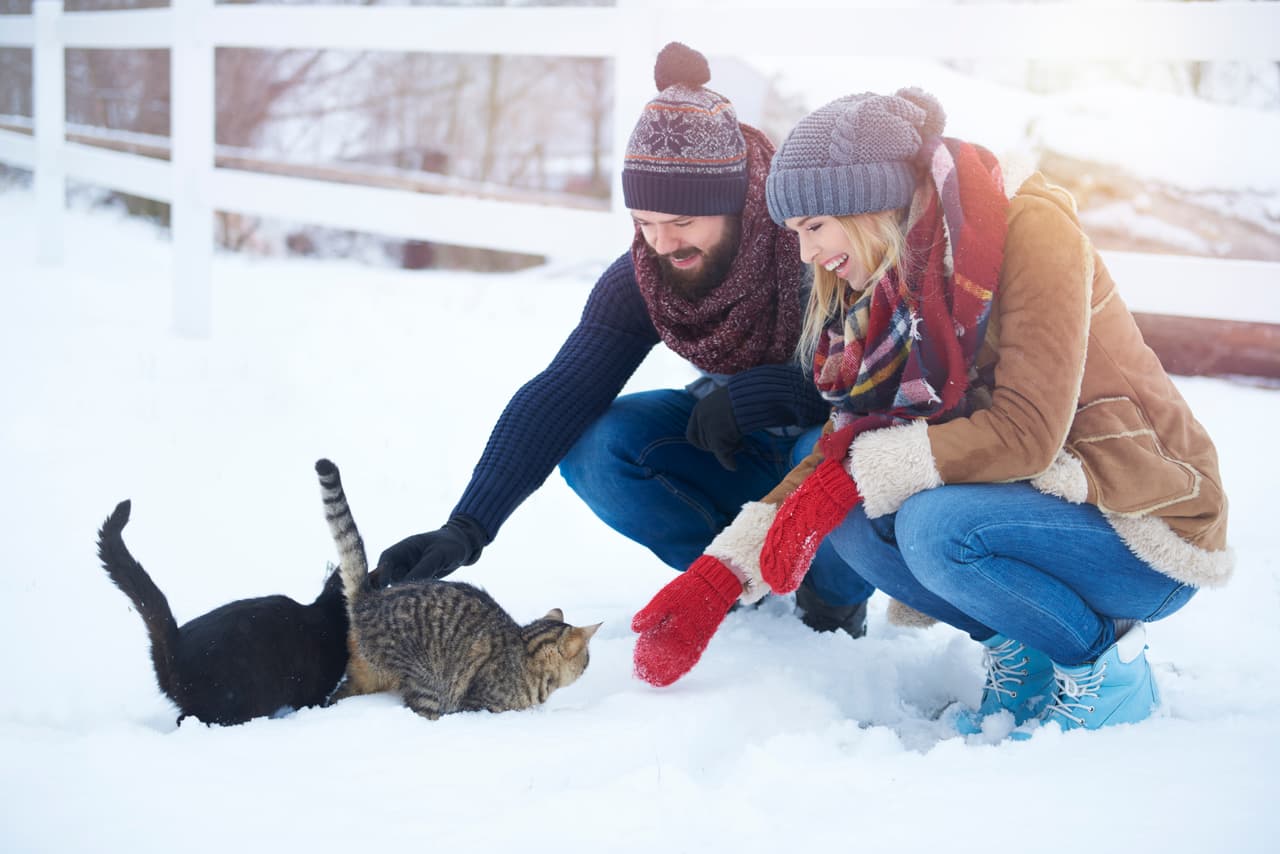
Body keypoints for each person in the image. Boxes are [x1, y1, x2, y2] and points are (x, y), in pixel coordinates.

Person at [634, 86, 1233, 735]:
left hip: (1138, 523)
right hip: (1035, 513)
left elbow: (1027, 434)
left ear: (867, 203)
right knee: (851, 515)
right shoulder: (888, 289)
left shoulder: (1029, 228)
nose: (806, 254)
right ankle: (1027, 654)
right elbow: (842, 448)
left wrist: (865, 470)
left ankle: (1108, 669)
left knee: (932, 527)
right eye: (795, 234)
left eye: (814, 227)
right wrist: (718, 578)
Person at [376, 42, 875, 638]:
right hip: (730, 447)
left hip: (826, 442)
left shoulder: (814, 244)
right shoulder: (647, 275)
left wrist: (776, 392)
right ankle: (730, 583)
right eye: (645, 223)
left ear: (737, 204)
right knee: (598, 446)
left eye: (682, 222)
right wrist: (467, 527)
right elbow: (564, 391)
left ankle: (830, 602)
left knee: (848, 455)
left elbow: (887, 385)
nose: (662, 244)